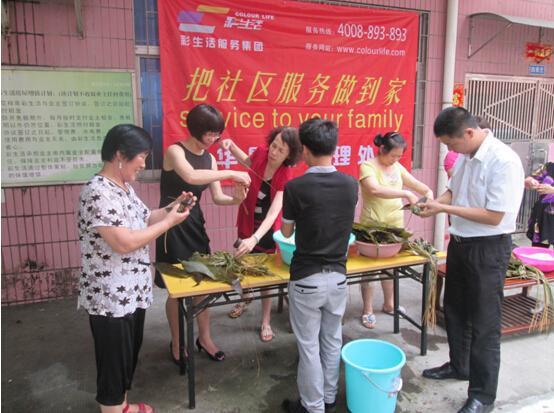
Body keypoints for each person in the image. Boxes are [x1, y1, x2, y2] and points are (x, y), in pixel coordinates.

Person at [78, 124, 195, 413]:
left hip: (131, 291)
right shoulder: (98, 192)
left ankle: (122, 405)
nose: (144, 163)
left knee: (126, 356)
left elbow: (146, 217)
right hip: (110, 298)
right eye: (141, 156)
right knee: (113, 362)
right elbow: (123, 242)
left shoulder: (123, 188)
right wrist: (168, 223)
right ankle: (114, 408)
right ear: (120, 155)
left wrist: (173, 208)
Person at [419, 107, 524, 413]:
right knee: (455, 310)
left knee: (484, 323)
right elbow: (453, 190)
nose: (450, 150)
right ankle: (459, 366)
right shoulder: (466, 156)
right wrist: (435, 202)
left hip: (488, 249)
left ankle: (482, 395)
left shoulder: (503, 161)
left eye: (451, 144)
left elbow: (494, 216)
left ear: (468, 132)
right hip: (460, 244)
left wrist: (443, 210)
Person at [155, 103, 250, 364]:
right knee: (176, 290)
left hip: (194, 223)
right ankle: (177, 342)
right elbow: (191, 176)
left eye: (217, 133)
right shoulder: (175, 151)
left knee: (203, 283)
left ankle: (205, 338)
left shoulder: (210, 158)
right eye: (210, 133)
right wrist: (232, 172)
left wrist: (237, 199)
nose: (214, 138)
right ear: (195, 129)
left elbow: (218, 197)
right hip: (171, 225)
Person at [280, 118, 358, 413]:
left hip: (306, 279)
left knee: (309, 345)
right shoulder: (350, 184)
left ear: (305, 149)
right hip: (338, 278)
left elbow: (286, 232)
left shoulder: (295, 187)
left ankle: (313, 407)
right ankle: (328, 397)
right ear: (334, 147)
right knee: (332, 339)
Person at [220, 127, 302, 342]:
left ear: (289, 155)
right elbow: (247, 161)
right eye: (274, 145)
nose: (274, 152)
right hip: (247, 220)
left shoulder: (285, 174)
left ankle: (265, 320)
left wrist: (255, 238)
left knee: (266, 277)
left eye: (281, 150)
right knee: (242, 264)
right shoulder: (261, 153)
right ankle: (246, 297)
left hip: (266, 231)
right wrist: (231, 146)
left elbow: (274, 214)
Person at [358, 132, 433, 329]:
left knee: (391, 268)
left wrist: (428, 193)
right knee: (371, 270)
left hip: (395, 228)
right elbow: (374, 189)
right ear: (382, 149)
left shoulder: (397, 167)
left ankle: (389, 303)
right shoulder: (367, 166)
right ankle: (367, 310)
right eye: (393, 155)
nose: (396, 159)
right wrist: (406, 193)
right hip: (373, 228)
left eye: (399, 156)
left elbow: (417, 185)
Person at [525, 162, 554, 248]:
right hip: (543, 216)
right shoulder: (549, 166)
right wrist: (531, 181)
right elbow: (530, 178)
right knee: (539, 250)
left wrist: (552, 190)